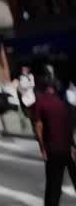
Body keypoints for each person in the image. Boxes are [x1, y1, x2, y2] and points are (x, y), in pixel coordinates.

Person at [33, 75, 76, 206]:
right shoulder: (64, 103)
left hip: (53, 149)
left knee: (54, 183)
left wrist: (42, 148)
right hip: (68, 148)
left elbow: (38, 126)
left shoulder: (40, 102)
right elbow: (72, 126)